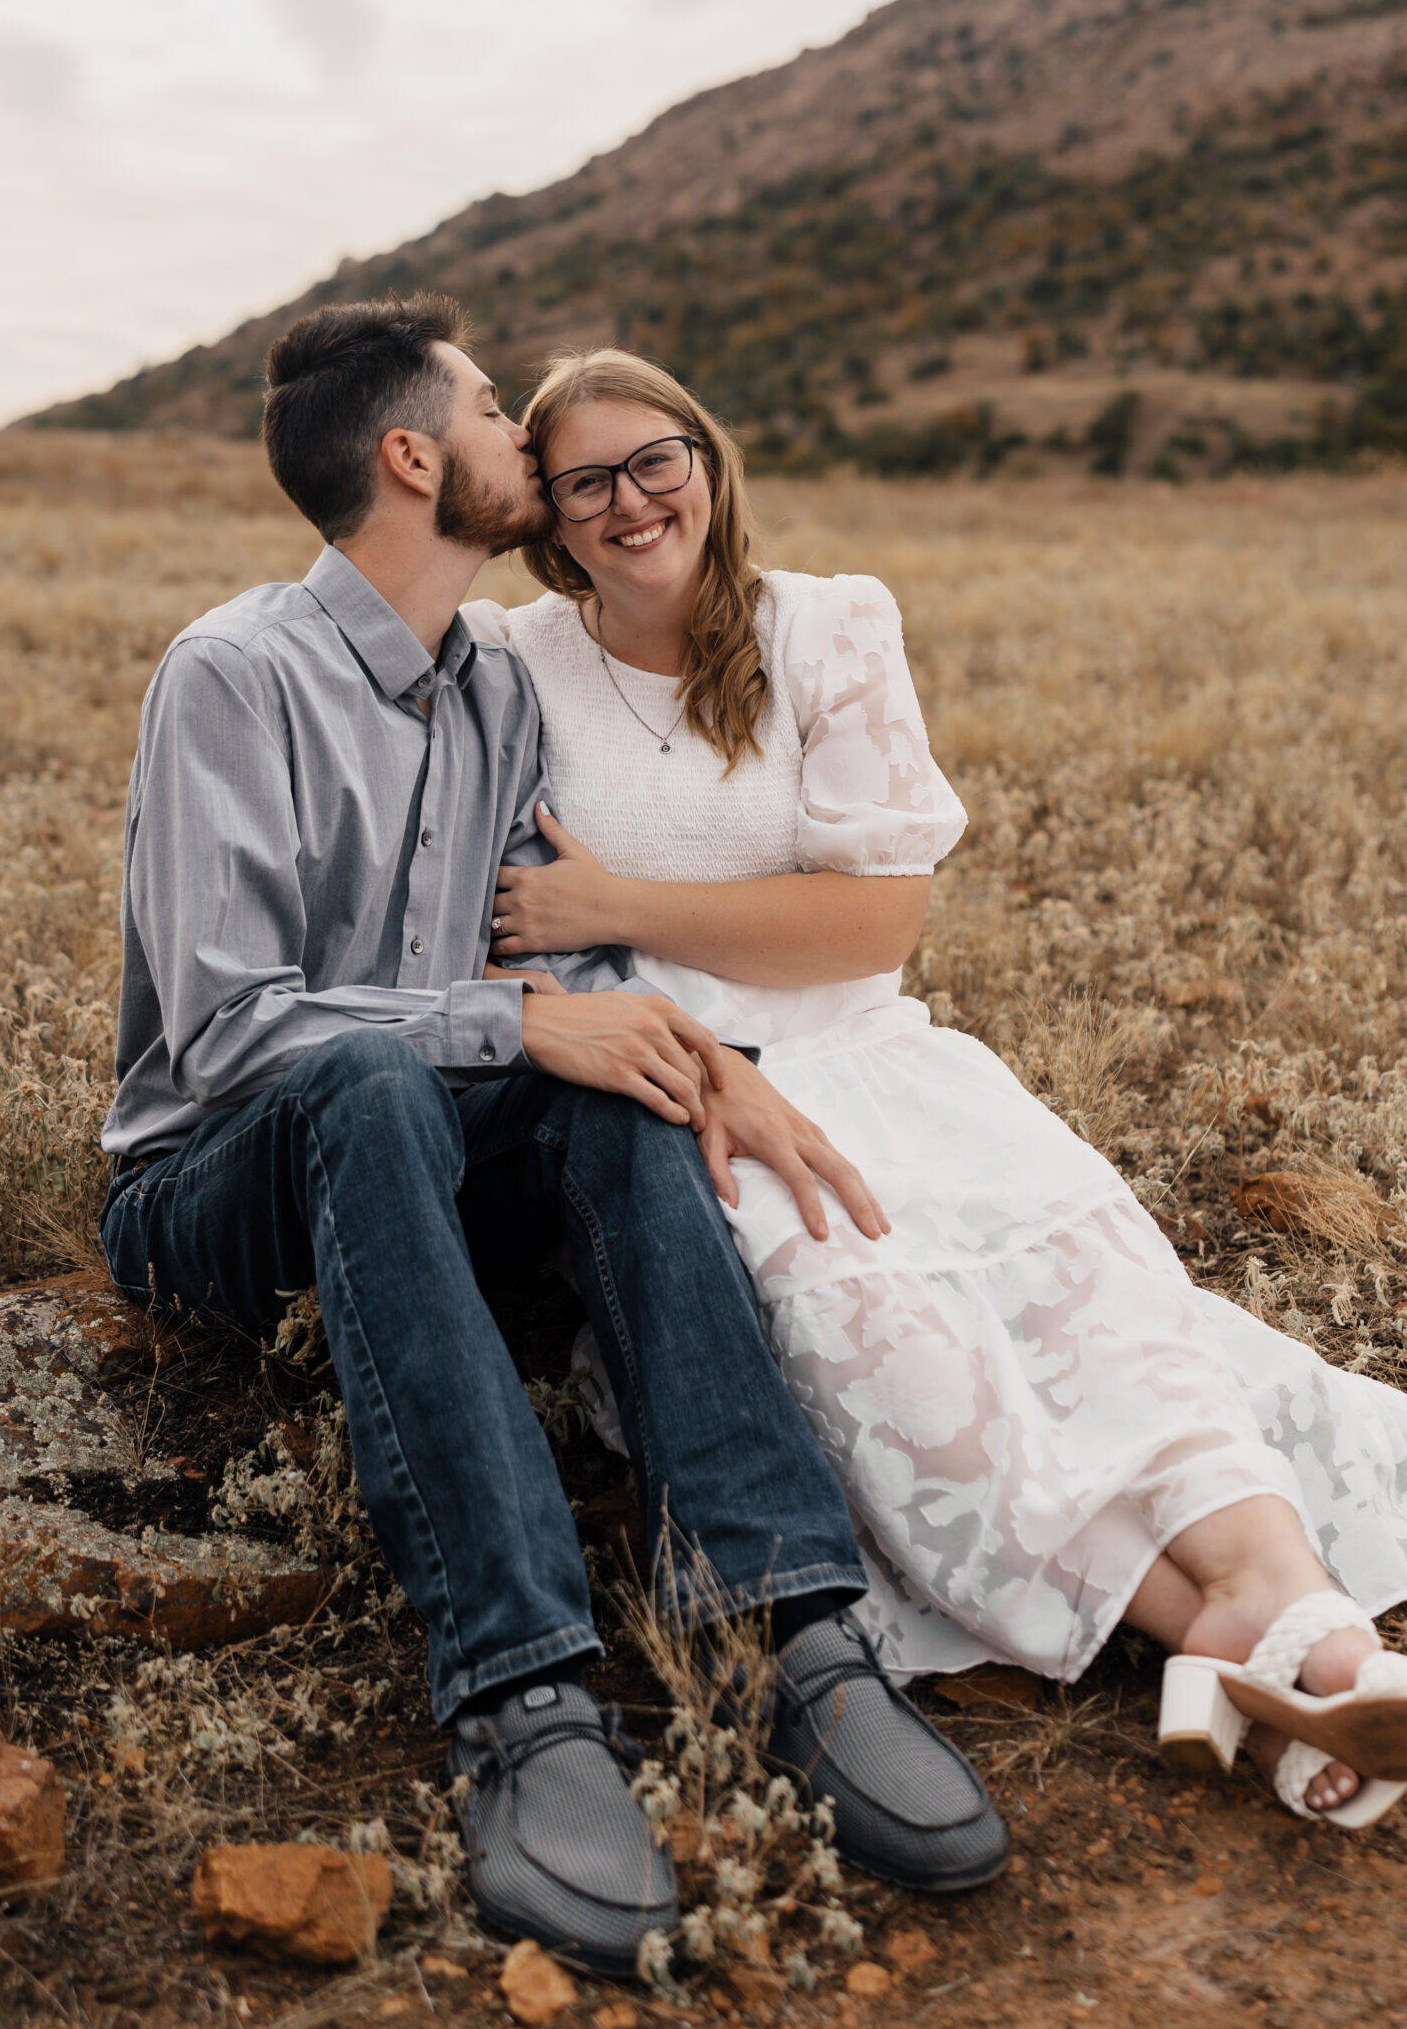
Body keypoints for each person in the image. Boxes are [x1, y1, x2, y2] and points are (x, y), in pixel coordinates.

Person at [476, 346, 1407, 1833]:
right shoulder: (517, 667)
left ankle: (1288, 1609)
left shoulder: (824, 628)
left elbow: (873, 923)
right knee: (889, 1343)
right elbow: (497, 927)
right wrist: (594, 959)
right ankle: (1245, 1644)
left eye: (659, 459)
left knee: (1097, 1300)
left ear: (708, 460)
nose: (634, 500)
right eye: (588, 481)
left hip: (887, 1062)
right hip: (692, 1089)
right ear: (555, 522)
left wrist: (609, 902)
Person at [97, 297, 1009, 1977]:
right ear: (415, 458)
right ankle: (522, 1693)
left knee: (607, 1084)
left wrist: (689, 1054)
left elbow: (557, 963)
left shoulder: (496, 692)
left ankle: (793, 1627)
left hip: (430, 1150)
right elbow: (228, 1035)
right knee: (375, 1078)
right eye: (501, 415)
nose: (534, 443)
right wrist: (515, 1026)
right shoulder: (235, 676)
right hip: (208, 1182)